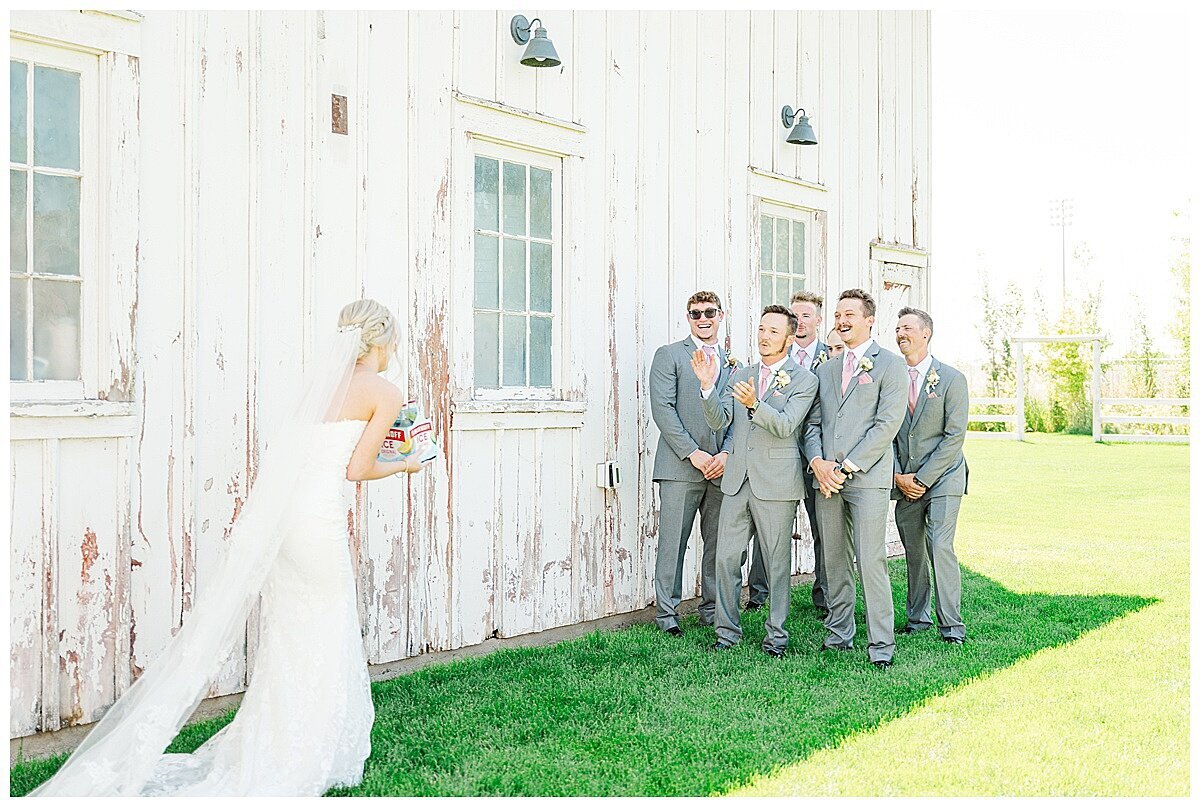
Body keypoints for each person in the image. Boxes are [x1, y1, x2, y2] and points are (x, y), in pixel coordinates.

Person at [32, 299, 424, 796]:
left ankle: (279, 738)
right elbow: (357, 468)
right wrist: (408, 464)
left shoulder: (320, 388)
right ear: (382, 341)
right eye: (394, 343)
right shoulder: (382, 392)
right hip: (319, 525)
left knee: (290, 636)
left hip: (286, 526)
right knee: (327, 630)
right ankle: (306, 750)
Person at [695, 305, 818, 657]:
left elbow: (785, 425)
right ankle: (726, 633)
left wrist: (755, 404)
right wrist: (707, 388)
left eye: (773, 331)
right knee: (726, 559)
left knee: (777, 563)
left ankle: (776, 636)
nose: (764, 336)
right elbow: (720, 422)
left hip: (777, 483)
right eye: (761, 329)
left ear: (790, 338)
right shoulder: (741, 374)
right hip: (736, 481)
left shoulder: (804, 380)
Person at [803, 289, 907, 669]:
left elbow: (885, 427)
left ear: (868, 320)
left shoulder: (891, 366)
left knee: (870, 558)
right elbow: (812, 423)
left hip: (866, 480)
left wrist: (846, 467)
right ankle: (838, 634)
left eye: (849, 314)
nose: (841, 320)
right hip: (826, 481)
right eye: (837, 314)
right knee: (834, 560)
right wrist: (818, 463)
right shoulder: (826, 369)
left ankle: (881, 644)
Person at [648, 291, 735, 635]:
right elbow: (663, 410)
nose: (703, 318)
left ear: (720, 315)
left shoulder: (733, 362)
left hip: (719, 468)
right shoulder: (669, 355)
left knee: (717, 543)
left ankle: (712, 610)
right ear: (688, 317)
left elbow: (736, 415)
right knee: (673, 543)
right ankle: (667, 616)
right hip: (680, 467)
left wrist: (726, 454)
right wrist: (693, 453)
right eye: (695, 313)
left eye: (709, 312)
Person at [892, 307, 969, 643]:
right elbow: (884, 431)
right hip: (904, 480)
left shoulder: (952, 379)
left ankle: (951, 625)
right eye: (897, 329)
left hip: (944, 477)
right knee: (914, 550)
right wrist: (899, 476)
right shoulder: (891, 376)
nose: (900, 334)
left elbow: (954, 437)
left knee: (939, 545)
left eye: (907, 328)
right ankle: (917, 617)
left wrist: (923, 479)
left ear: (926, 333)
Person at [788, 291, 836, 618]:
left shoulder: (832, 356)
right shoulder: (777, 356)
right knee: (770, 529)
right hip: (784, 455)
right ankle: (759, 594)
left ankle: (825, 597)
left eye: (806, 316)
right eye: (795, 316)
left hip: (819, 459)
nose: (799, 322)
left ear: (818, 320)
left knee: (824, 530)